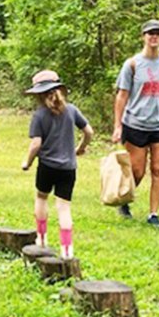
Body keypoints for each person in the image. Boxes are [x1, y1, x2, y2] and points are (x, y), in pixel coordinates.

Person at [111, 19, 159, 227]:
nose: (154, 37)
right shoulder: (132, 64)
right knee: (137, 170)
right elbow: (122, 96)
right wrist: (118, 126)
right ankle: (124, 200)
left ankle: (154, 214)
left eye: (158, 33)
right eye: (150, 33)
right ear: (143, 36)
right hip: (135, 123)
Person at [20, 70, 93, 258]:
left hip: (47, 166)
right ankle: (67, 250)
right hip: (69, 168)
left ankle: (42, 239)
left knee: (41, 197)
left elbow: (36, 144)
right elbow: (89, 131)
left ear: (38, 95)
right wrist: (81, 148)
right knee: (64, 207)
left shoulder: (39, 115)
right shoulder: (72, 110)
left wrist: (27, 162)